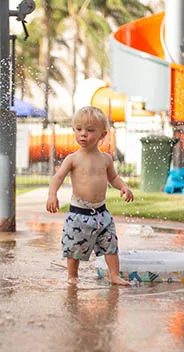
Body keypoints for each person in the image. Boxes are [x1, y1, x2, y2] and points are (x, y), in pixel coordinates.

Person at [46, 106, 134, 286]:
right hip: (79, 213)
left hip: (102, 213)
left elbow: (113, 178)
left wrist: (123, 186)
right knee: (74, 247)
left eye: (90, 130)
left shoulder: (106, 159)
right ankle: (72, 276)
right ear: (73, 130)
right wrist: (52, 194)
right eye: (79, 129)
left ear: (103, 134)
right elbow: (58, 177)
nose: (83, 134)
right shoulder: (73, 159)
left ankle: (114, 275)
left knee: (110, 244)